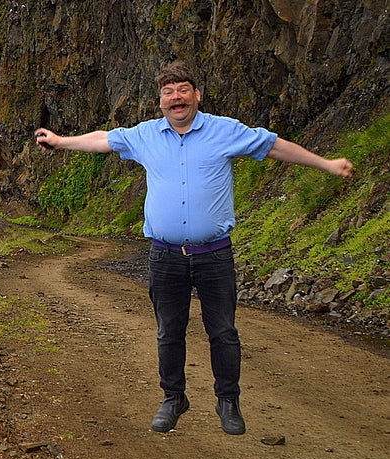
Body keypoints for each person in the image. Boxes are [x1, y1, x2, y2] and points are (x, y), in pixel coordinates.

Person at [34, 61, 353, 435]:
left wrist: (326, 164)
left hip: (215, 255)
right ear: (160, 101)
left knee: (223, 332)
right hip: (165, 256)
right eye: (168, 93)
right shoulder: (145, 136)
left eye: (183, 90)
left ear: (197, 95)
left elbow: (274, 146)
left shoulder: (225, 131)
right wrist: (59, 141)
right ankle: (174, 398)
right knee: (169, 331)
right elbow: (104, 139)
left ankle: (228, 401)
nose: (176, 98)